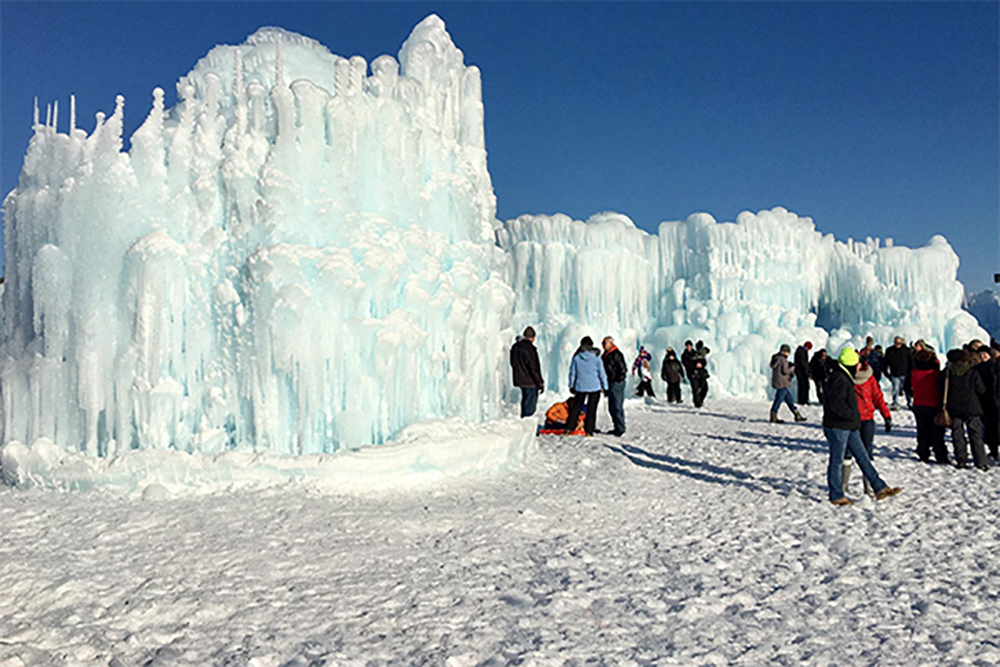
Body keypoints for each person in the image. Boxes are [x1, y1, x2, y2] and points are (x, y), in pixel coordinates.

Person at [823, 346, 902, 506]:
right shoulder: (839, 378)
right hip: (839, 426)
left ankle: (879, 487)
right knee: (837, 461)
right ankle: (836, 494)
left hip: (849, 426)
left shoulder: (843, 376)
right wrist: (853, 416)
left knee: (863, 457)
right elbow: (836, 405)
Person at [842, 359, 892, 496]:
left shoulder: (866, 378)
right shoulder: (849, 377)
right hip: (857, 419)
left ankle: (865, 486)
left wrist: (886, 415)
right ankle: (847, 486)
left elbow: (878, 397)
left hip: (862, 419)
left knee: (863, 452)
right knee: (851, 452)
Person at [939, 349, 989, 470]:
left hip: (954, 407)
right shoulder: (972, 372)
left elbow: (939, 387)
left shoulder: (947, 372)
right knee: (975, 434)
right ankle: (980, 461)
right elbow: (981, 389)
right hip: (972, 407)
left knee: (957, 434)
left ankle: (961, 459)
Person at [911, 347, 948, 464]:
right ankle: (940, 455)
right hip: (934, 404)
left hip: (919, 404)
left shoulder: (913, 373)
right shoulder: (936, 374)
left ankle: (923, 453)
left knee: (922, 430)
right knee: (937, 432)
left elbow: (907, 387)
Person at [565, 336, 608, 437]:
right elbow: (602, 373)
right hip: (594, 387)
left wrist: (571, 385)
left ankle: (569, 427)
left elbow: (572, 373)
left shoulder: (576, 357)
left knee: (576, 408)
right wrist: (605, 387)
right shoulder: (596, 358)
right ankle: (589, 430)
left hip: (580, 386)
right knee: (591, 409)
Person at [510, 326, 544, 417]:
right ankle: (527, 423)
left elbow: (513, 363)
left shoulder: (515, 347)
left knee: (525, 401)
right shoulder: (530, 349)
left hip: (519, 379)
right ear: (532, 338)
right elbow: (534, 368)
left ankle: (523, 420)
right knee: (530, 405)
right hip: (530, 381)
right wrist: (539, 382)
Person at [770, 344, 806, 423]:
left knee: (789, 399)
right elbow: (785, 371)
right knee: (778, 400)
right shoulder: (783, 359)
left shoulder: (776, 358)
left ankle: (797, 415)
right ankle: (773, 415)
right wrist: (792, 367)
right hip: (783, 382)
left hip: (778, 381)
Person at [974, 347, 998, 459]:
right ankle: (993, 451)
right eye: (981, 354)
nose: (983, 356)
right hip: (984, 402)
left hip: (995, 401)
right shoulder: (977, 368)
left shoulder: (994, 367)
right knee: (989, 428)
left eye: (985, 354)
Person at [601, 336, 628, 437]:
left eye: (605, 343)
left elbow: (622, 368)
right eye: (602, 343)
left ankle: (620, 428)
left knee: (617, 405)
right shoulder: (605, 355)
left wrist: (617, 379)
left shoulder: (616, 354)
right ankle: (616, 426)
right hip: (610, 382)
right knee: (611, 406)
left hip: (616, 383)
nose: (603, 345)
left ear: (611, 343)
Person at [884, 336, 914, 410]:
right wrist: (886, 372)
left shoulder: (907, 350)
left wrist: (911, 372)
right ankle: (895, 403)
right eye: (896, 342)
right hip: (895, 374)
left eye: (899, 343)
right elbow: (885, 362)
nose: (898, 344)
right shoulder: (889, 350)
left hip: (906, 374)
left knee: (907, 389)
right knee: (895, 389)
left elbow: (911, 362)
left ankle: (909, 403)